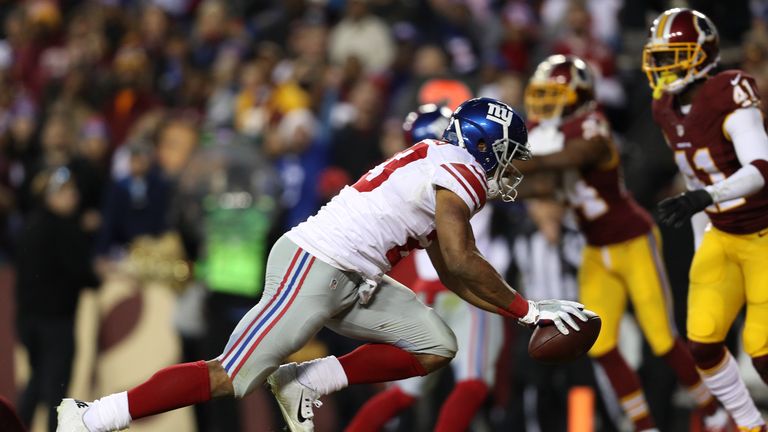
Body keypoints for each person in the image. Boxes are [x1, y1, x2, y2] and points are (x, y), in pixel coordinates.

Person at [56, 97, 588, 432]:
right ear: (484, 148)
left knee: (435, 346)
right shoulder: (459, 171)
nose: (512, 167)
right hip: (314, 265)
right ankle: (92, 416)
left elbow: (452, 271)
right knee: (230, 377)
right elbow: (462, 257)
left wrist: (521, 314)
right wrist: (528, 309)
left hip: (357, 279)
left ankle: (305, 382)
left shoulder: (439, 165)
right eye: (509, 153)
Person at [518, 55, 727, 431]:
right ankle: (644, 425)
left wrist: (513, 166)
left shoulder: (591, 124)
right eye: (542, 94)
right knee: (599, 344)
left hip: (633, 241)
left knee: (663, 340)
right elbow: (546, 184)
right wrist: (494, 185)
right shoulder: (546, 133)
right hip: (596, 250)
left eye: (554, 94)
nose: (545, 103)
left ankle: (712, 411)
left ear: (577, 94)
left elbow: (575, 156)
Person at [644, 8, 768, 432]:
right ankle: (752, 426)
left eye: (670, 56)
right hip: (721, 233)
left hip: (764, 233)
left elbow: (761, 167)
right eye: (657, 57)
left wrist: (705, 197)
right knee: (703, 342)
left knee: (762, 348)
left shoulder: (726, 91)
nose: (661, 67)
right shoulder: (665, 108)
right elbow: (696, 183)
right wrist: (703, 245)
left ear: (700, 55)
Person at [347, 104, 506, 432]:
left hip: (426, 291)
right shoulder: (465, 172)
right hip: (466, 289)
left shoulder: (406, 175)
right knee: (472, 383)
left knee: (405, 393)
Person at [16, 167, 99, 432]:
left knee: (38, 381)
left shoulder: (29, 225)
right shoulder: (65, 229)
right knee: (56, 392)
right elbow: (84, 274)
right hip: (56, 323)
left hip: (28, 320)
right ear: (50, 196)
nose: (73, 196)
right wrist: (99, 275)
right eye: (65, 191)